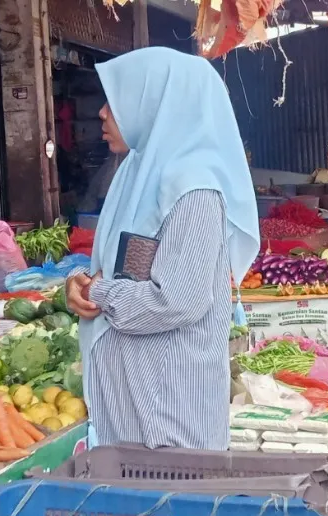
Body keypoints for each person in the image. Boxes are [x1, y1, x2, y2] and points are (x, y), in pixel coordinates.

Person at [64, 47, 260, 451]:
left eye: (116, 100)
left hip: (169, 414)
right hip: (135, 408)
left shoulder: (194, 190)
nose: (102, 112)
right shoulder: (137, 176)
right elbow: (130, 265)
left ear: (158, 104)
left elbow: (178, 300)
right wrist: (79, 283)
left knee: (175, 507)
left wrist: (98, 292)